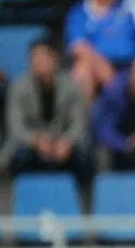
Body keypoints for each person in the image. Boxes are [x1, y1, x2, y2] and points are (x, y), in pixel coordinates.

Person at [3, 39, 91, 183]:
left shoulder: (72, 86)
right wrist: (37, 141)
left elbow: (79, 123)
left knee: (83, 158)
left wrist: (67, 141)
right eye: (34, 58)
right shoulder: (18, 87)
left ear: (55, 59)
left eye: (43, 57)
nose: (39, 62)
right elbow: (15, 127)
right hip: (31, 143)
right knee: (20, 156)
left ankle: (81, 201)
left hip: (63, 142)